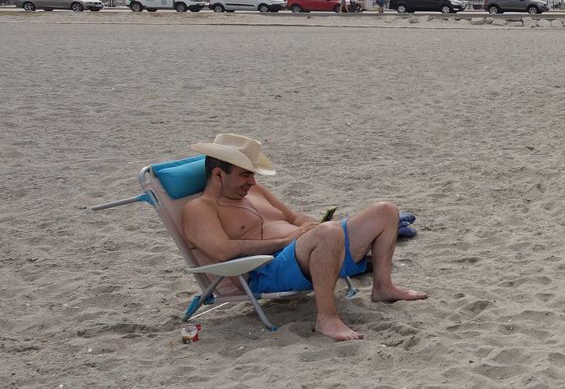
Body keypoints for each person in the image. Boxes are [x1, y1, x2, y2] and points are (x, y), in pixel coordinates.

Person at [181, 134, 426, 341]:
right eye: (245, 175)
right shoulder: (200, 208)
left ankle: (383, 287)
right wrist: (292, 240)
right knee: (328, 232)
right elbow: (222, 251)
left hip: (307, 251)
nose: (252, 181)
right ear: (218, 174)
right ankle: (326, 318)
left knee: (385, 211)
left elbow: (293, 217)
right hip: (266, 270)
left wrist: (308, 226)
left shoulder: (254, 191)